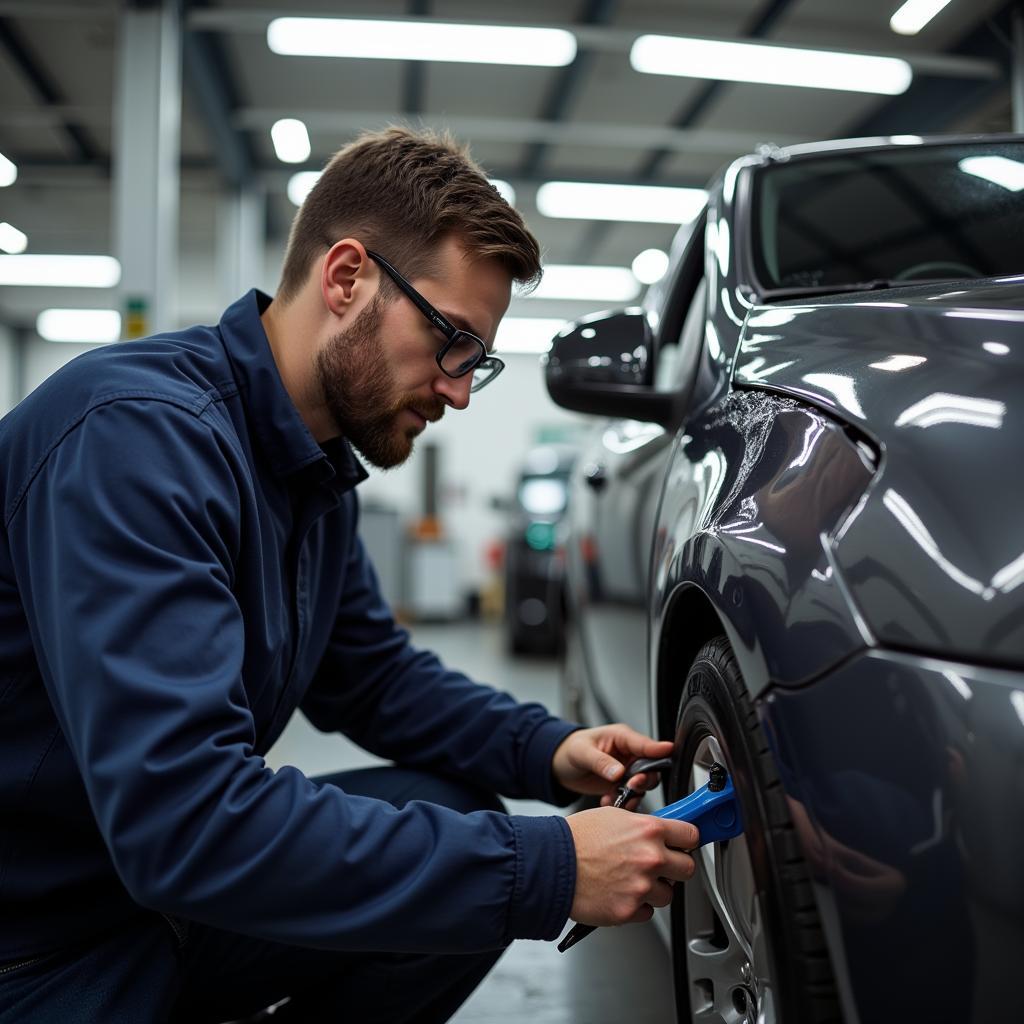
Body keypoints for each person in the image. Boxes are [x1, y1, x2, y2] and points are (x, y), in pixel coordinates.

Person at [0, 127, 698, 1023]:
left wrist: (547, 751)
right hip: (38, 950)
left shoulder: (312, 471)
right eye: (452, 341)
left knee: (449, 813)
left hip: (144, 906)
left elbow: (372, 676)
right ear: (345, 279)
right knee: (492, 869)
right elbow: (188, 826)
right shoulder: (135, 439)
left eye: (477, 361)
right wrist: (552, 868)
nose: (458, 391)